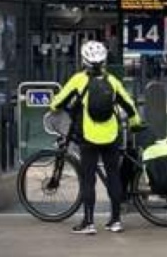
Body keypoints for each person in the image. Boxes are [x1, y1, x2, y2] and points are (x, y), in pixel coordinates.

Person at [49, 40, 142, 235]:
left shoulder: (78, 80)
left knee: (88, 179)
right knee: (113, 175)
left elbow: (57, 102)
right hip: (111, 135)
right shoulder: (112, 81)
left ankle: (89, 223)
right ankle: (115, 221)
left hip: (88, 137)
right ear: (104, 61)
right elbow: (129, 104)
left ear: (84, 61)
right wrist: (135, 122)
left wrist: (54, 106)